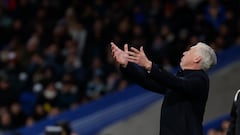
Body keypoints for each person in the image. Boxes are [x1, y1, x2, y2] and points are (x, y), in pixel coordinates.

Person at [111, 41, 217, 135]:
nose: (185, 53)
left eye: (189, 51)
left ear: (197, 58)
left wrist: (149, 65)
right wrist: (127, 65)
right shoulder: (179, 80)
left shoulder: (200, 79)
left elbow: (178, 84)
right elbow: (148, 81)